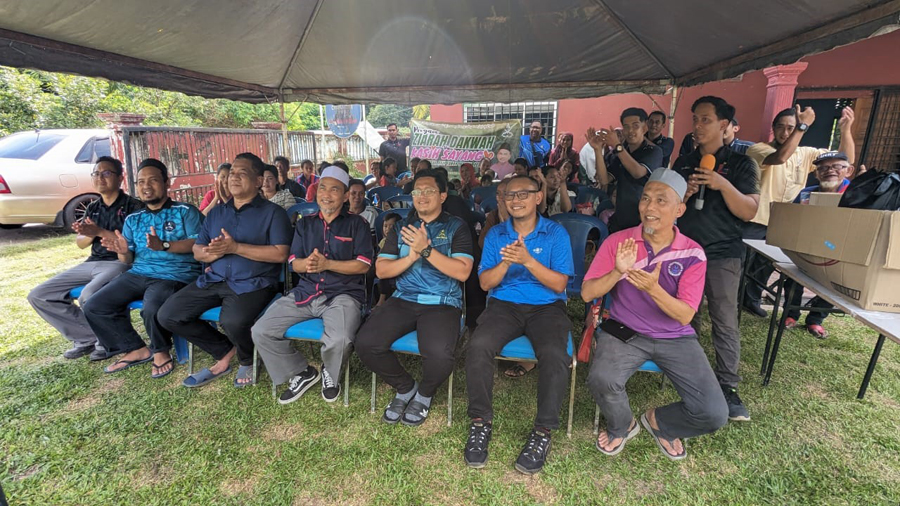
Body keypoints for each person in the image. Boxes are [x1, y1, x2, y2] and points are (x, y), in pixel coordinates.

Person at [582, 168, 727, 460]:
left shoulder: (692, 253)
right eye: (645, 199)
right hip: (625, 330)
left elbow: (685, 315)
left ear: (680, 209)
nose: (650, 208)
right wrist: (617, 272)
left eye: (661, 201)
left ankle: (660, 422)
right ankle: (622, 425)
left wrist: (653, 288)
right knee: (601, 378)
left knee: (714, 413)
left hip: (676, 336)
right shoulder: (618, 242)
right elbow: (587, 293)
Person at [464, 175, 574, 474]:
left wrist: (527, 260)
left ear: (538, 197)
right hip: (504, 305)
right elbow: (486, 283)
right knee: (478, 346)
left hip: (547, 307)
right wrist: (506, 262)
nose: (516, 200)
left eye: (523, 194)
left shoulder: (556, 234)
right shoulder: (497, 235)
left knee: (554, 354)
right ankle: (480, 422)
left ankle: (543, 431)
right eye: (509, 195)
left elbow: (559, 283)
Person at [158, 153, 292, 387]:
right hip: (214, 279)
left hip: (255, 281)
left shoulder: (273, 213)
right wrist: (215, 252)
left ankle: (247, 359)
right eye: (231, 174)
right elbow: (198, 250)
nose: (234, 178)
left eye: (242, 173)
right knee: (168, 314)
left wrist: (236, 247)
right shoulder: (217, 213)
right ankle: (224, 350)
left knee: (231, 320)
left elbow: (281, 254)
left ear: (259, 181)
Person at [356, 169, 474, 426]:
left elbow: (463, 272)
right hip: (404, 298)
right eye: (417, 191)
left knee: (440, 355)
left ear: (443, 195)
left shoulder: (456, 227)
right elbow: (382, 270)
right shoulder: (401, 227)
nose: (421, 196)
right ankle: (406, 387)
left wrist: (426, 250)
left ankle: (425, 394)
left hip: (442, 301)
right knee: (366, 343)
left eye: (429, 190)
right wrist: (410, 256)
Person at [251, 167, 373, 404]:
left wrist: (328, 264)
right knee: (261, 330)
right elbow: (293, 263)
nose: (326, 194)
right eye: (323, 188)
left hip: (343, 294)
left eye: (335, 189)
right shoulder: (305, 224)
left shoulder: (357, 224)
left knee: (341, 339)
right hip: (306, 292)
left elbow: (363, 266)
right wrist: (306, 264)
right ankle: (302, 372)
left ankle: (330, 371)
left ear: (346, 195)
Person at [672, 96, 760, 422]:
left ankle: (728, 387)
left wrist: (722, 185)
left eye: (705, 120)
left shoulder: (741, 163)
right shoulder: (683, 162)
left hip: (723, 254)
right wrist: (685, 194)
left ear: (723, 124)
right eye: (695, 119)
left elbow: (750, 210)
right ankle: (691, 374)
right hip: (686, 253)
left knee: (724, 320)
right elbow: (667, 209)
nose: (697, 126)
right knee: (686, 315)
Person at [82, 158, 202, 378]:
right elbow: (127, 259)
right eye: (141, 182)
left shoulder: (186, 211)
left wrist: (165, 246)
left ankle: (161, 351)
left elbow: (198, 243)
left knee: (151, 306)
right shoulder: (133, 218)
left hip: (176, 274)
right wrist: (122, 249)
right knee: (94, 304)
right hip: (139, 273)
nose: (146, 186)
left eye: (153, 180)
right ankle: (135, 348)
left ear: (167, 182)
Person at [741, 105, 855, 317]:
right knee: (744, 263)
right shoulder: (759, 149)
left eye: (790, 128)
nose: (786, 133)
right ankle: (734, 299)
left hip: (785, 224)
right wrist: (801, 127)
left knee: (767, 265)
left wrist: (846, 129)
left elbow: (845, 159)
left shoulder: (807, 153)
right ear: (773, 129)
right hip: (757, 219)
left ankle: (751, 299)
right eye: (781, 128)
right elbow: (780, 158)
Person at [28, 156, 144, 361]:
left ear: (120, 178)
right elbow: (81, 243)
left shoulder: (133, 206)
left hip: (121, 262)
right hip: (92, 262)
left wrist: (99, 230)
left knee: (89, 295)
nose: (100, 178)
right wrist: (90, 233)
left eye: (106, 173)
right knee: (39, 294)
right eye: (96, 174)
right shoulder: (92, 207)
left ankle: (105, 342)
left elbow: (132, 244)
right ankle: (87, 337)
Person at [781, 151, 857, 338]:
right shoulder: (806, 193)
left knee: (832, 285)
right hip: (807, 246)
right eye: (823, 167)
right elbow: (793, 218)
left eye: (837, 166)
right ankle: (791, 314)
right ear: (816, 173)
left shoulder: (855, 194)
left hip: (837, 249)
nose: (830, 170)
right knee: (793, 279)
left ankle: (816, 320)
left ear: (849, 170)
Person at [585, 107, 664, 233]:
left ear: (644, 128)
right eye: (626, 126)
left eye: (635, 126)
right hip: (622, 217)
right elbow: (604, 180)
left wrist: (617, 146)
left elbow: (638, 173)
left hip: (644, 220)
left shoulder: (653, 151)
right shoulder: (621, 151)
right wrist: (597, 150)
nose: (630, 131)